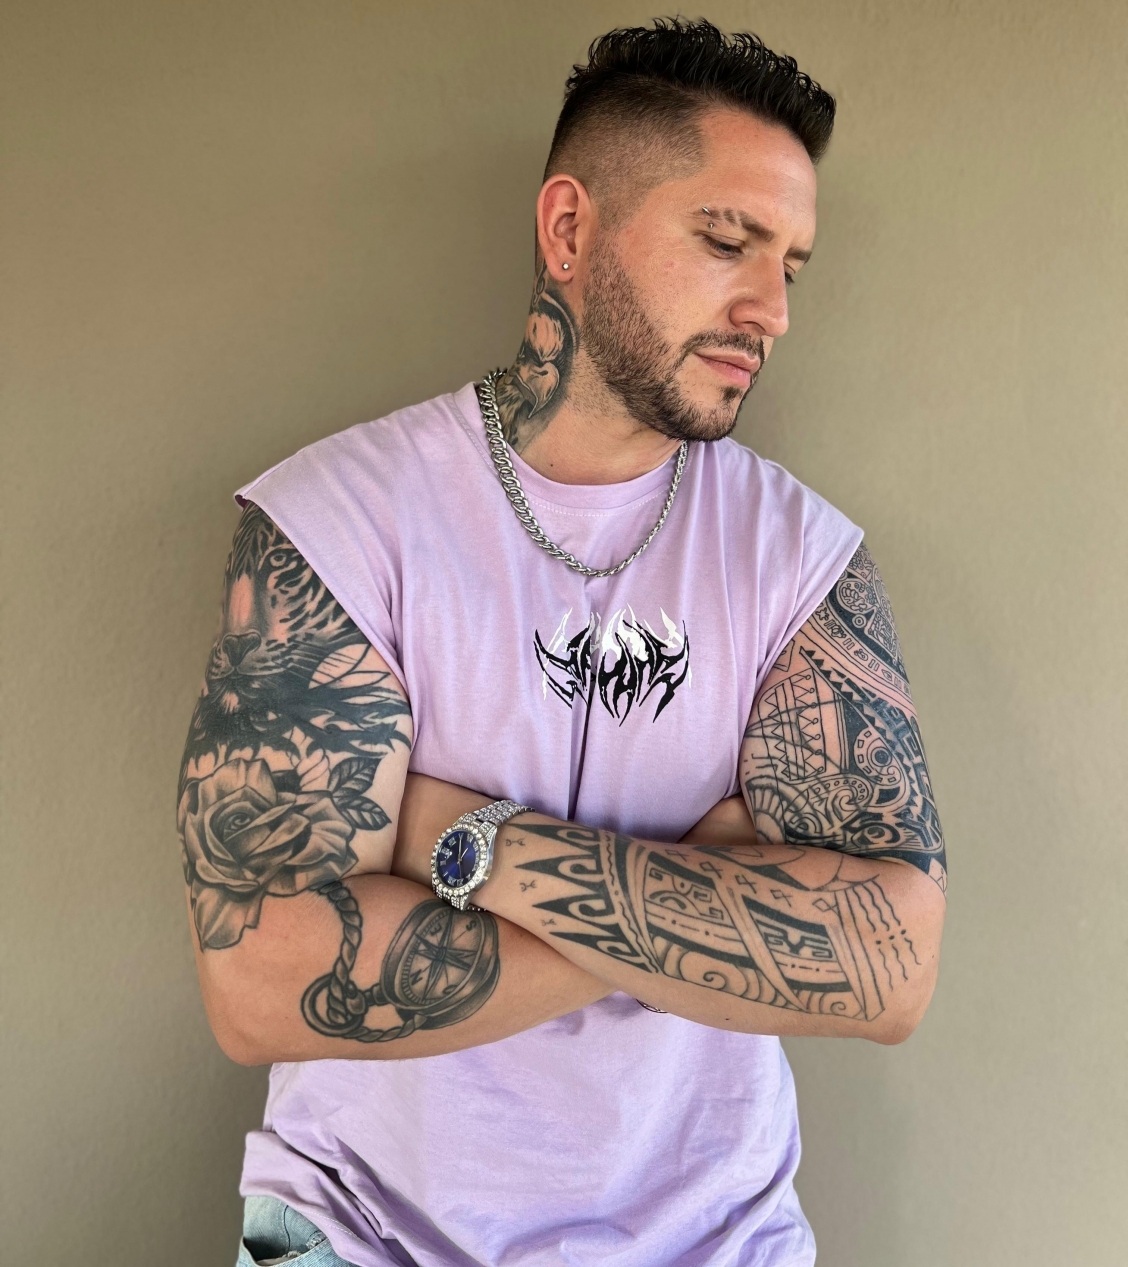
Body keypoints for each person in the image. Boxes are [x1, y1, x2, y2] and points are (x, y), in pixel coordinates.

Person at [178, 19, 946, 1267]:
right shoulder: (338, 524)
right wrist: (701, 887)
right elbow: (259, 983)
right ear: (571, 230)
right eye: (727, 241)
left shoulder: (799, 559)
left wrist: (465, 840)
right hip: (370, 1233)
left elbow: (890, 966)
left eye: (792, 266)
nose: (770, 310)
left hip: (715, 1241)